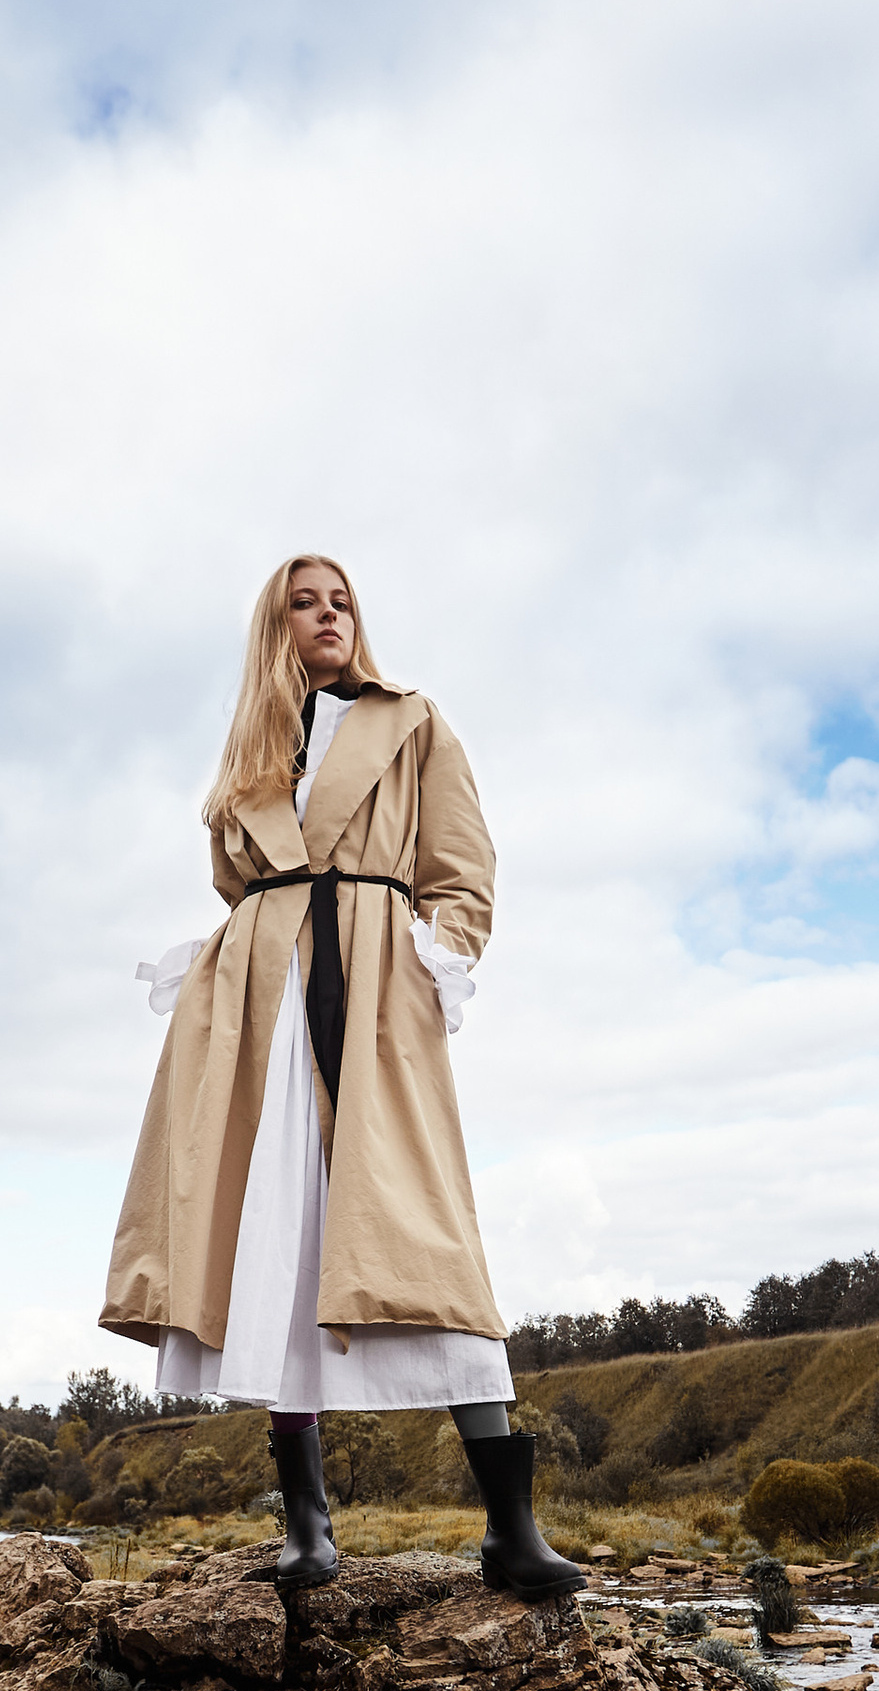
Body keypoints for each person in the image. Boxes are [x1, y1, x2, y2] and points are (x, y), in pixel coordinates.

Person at [101, 552, 582, 1599]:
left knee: (424, 1232)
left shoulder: (412, 722)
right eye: (303, 604)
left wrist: (424, 962)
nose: (327, 615)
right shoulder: (245, 767)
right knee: (274, 1237)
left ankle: (509, 1525)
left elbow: (463, 872)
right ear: (275, 629)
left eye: (341, 600)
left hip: (372, 987)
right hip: (259, 1004)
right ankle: (307, 1526)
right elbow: (243, 889)